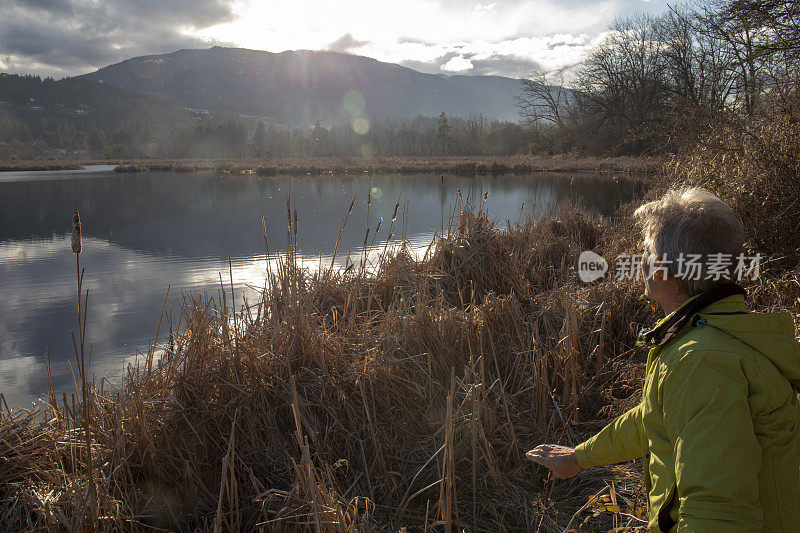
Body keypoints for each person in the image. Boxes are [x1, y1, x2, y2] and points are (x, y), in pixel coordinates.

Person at [526, 188, 800, 532]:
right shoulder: (719, 332)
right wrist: (580, 457)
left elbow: (717, 511)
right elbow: (656, 418)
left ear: (663, 270)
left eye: (647, 251)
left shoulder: (702, 361)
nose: (639, 260)